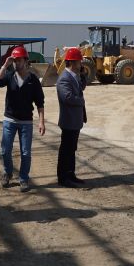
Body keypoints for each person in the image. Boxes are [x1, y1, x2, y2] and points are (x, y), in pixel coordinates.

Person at [0, 45, 45, 192]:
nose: (16, 63)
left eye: (19, 60)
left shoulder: (33, 80)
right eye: (14, 60)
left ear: (26, 61)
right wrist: (5, 65)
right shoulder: (10, 76)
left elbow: (40, 102)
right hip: (9, 120)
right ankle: (8, 173)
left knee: (25, 153)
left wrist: (41, 122)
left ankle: (23, 178)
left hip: (26, 122)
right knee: (5, 150)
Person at [56, 47, 88, 188]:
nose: (81, 64)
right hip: (69, 121)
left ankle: (71, 174)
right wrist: (81, 101)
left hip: (75, 121)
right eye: (79, 62)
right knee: (66, 150)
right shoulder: (64, 78)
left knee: (71, 150)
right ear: (73, 62)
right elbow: (67, 97)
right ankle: (63, 178)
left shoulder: (74, 76)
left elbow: (82, 87)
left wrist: (83, 74)